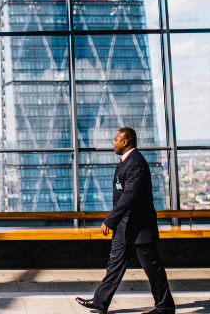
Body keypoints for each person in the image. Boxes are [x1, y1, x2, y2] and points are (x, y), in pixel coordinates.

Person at [76, 127, 175, 314]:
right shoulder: (127, 162)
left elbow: (129, 196)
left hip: (139, 228)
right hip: (125, 227)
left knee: (152, 268)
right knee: (114, 265)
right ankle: (100, 301)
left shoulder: (136, 163)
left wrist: (110, 220)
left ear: (126, 141)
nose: (112, 143)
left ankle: (165, 307)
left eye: (115, 140)